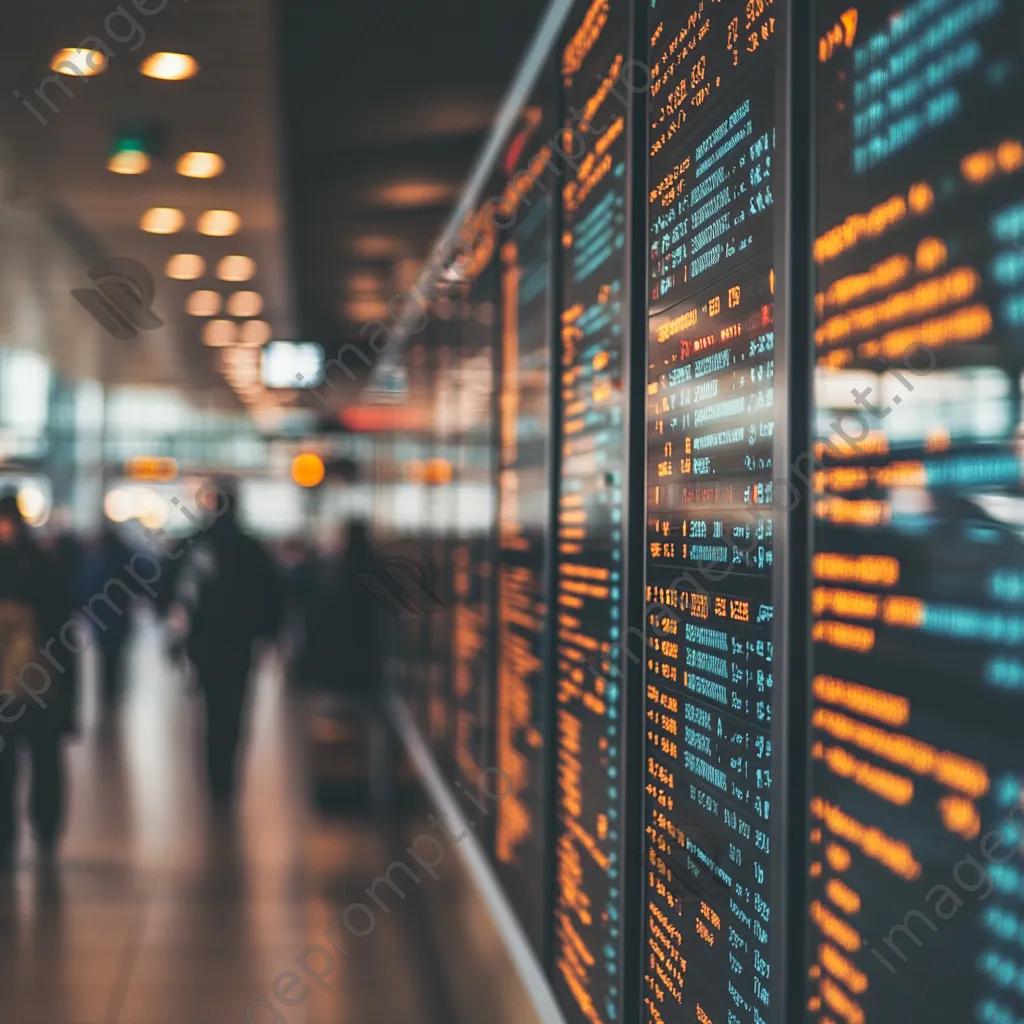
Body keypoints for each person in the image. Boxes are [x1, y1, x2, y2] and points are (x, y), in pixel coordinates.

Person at [173, 482, 281, 805]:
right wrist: (269, 636)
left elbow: (178, 591)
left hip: (204, 645)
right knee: (232, 712)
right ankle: (226, 778)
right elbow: (271, 597)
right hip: (240, 646)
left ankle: (214, 775)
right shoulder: (251, 548)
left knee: (209, 710)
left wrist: (181, 636)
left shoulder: (197, 544)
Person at [0, 494, 78, 867]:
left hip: (28, 682)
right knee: (43, 758)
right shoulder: (45, 564)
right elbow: (65, 631)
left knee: (18, 761)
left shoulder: (39, 565)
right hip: (43, 680)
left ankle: (14, 835)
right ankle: (43, 829)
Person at [78, 527, 134, 710]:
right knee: (116, 657)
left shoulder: (98, 562)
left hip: (103, 617)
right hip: (118, 616)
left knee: (106, 657)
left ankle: (107, 693)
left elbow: (86, 587)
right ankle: (113, 692)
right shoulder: (124, 560)